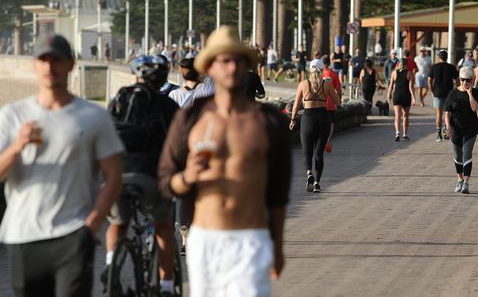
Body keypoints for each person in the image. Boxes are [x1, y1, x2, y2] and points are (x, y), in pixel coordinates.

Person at [158, 26, 292, 296]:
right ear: (210, 67)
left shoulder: (268, 122)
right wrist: (187, 178)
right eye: (224, 60)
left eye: (239, 61)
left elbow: (278, 193)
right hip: (204, 239)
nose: (232, 68)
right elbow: (165, 179)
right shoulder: (191, 119)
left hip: (251, 239)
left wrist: (277, 247)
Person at [0, 34, 124, 296]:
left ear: (71, 64)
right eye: (43, 60)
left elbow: (113, 175)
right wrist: (17, 145)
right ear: (34, 65)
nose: (49, 67)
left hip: (73, 233)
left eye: (56, 60)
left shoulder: (94, 116)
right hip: (22, 235)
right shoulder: (13, 115)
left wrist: (93, 224)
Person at [105, 54, 179, 296]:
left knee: (118, 223)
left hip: (116, 174)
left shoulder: (119, 99)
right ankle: (167, 287)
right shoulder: (167, 105)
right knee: (163, 227)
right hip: (151, 175)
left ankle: (110, 266)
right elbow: (178, 146)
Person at [290, 59, 340, 193]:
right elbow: (338, 101)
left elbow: (295, 106)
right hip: (323, 118)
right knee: (319, 154)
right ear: (322, 70)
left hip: (308, 119)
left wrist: (293, 120)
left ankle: (309, 174)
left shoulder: (303, 84)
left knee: (307, 152)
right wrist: (330, 91)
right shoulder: (327, 83)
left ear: (310, 70)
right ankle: (317, 183)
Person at [444, 66, 478, 194]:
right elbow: (447, 113)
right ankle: (459, 179)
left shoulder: (476, 92)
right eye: (463, 80)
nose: (465, 83)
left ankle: (466, 182)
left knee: (467, 154)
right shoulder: (453, 93)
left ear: (472, 80)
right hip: (455, 129)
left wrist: (470, 94)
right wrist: (448, 127)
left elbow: (475, 108)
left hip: (470, 129)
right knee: (457, 156)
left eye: (468, 80)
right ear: (459, 79)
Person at [428, 50, 459, 141]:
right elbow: (457, 80)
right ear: (447, 57)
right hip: (449, 94)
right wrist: (456, 90)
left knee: (439, 114)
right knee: (448, 113)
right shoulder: (452, 67)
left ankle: (438, 134)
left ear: (439, 57)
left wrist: (432, 91)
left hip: (437, 93)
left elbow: (429, 81)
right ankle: (446, 132)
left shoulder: (434, 67)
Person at [388, 58, 416, 141]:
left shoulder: (394, 73)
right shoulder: (409, 73)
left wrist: (389, 95)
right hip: (406, 95)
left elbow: (391, 86)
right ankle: (404, 134)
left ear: (398, 64)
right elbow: (411, 87)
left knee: (397, 115)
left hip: (397, 95)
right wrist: (414, 98)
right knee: (406, 115)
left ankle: (397, 132)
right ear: (406, 64)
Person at [321, 56, 342, 153]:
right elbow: (338, 90)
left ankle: (321, 140)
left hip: (320, 103)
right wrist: (339, 101)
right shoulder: (334, 74)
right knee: (331, 123)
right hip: (330, 103)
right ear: (329, 63)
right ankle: (327, 139)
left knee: (321, 123)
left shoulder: (318, 74)